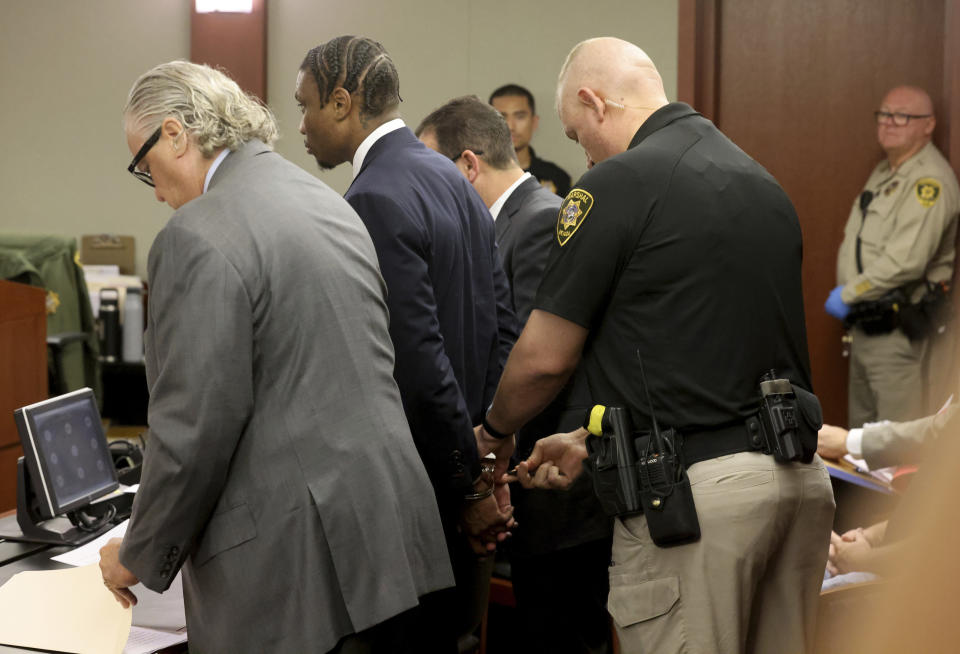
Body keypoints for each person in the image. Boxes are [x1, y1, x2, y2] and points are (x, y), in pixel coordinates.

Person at [480, 37, 836, 654]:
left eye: (574, 134)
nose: (583, 156)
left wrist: (494, 432)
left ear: (593, 103)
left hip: (699, 510)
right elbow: (699, 354)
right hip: (798, 483)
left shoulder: (617, 184)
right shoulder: (758, 180)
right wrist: (592, 439)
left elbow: (544, 360)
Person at [98, 61, 453, 654]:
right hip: (387, 536)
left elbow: (194, 427)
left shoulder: (197, 235)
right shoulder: (322, 198)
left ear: (176, 134)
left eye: (144, 166)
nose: (156, 190)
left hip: (295, 565)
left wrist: (137, 554)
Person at [296, 37, 518, 652]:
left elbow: (416, 364)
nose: (302, 125)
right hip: (464, 458)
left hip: (423, 494)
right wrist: (489, 451)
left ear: (342, 103)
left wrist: (469, 487)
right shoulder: (448, 175)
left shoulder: (372, 197)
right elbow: (503, 325)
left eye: (306, 105)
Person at [417, 96, 613, 653]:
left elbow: (535, 362)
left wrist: (488, 468)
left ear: (468, 165)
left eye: (436, 173)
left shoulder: (539, 220)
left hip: (552, 490)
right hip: (525, 475)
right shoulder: (503, 222)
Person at [826, 86, 959, 426]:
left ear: (929, 125)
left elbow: (907, 262)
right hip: (865, 326)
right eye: (884, 114)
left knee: (892, 448)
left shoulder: (929, 181)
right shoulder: (886, 171)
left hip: (896, 332)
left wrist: (849, 293)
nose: (889, 122)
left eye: (902, 116)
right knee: (861, 439)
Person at [490, 83, 572, 196]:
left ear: (534, 122)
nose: (510, 126)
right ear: (488, 124)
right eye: (501, 117)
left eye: (520, 117)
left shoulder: (556, 178)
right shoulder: (477, 176)